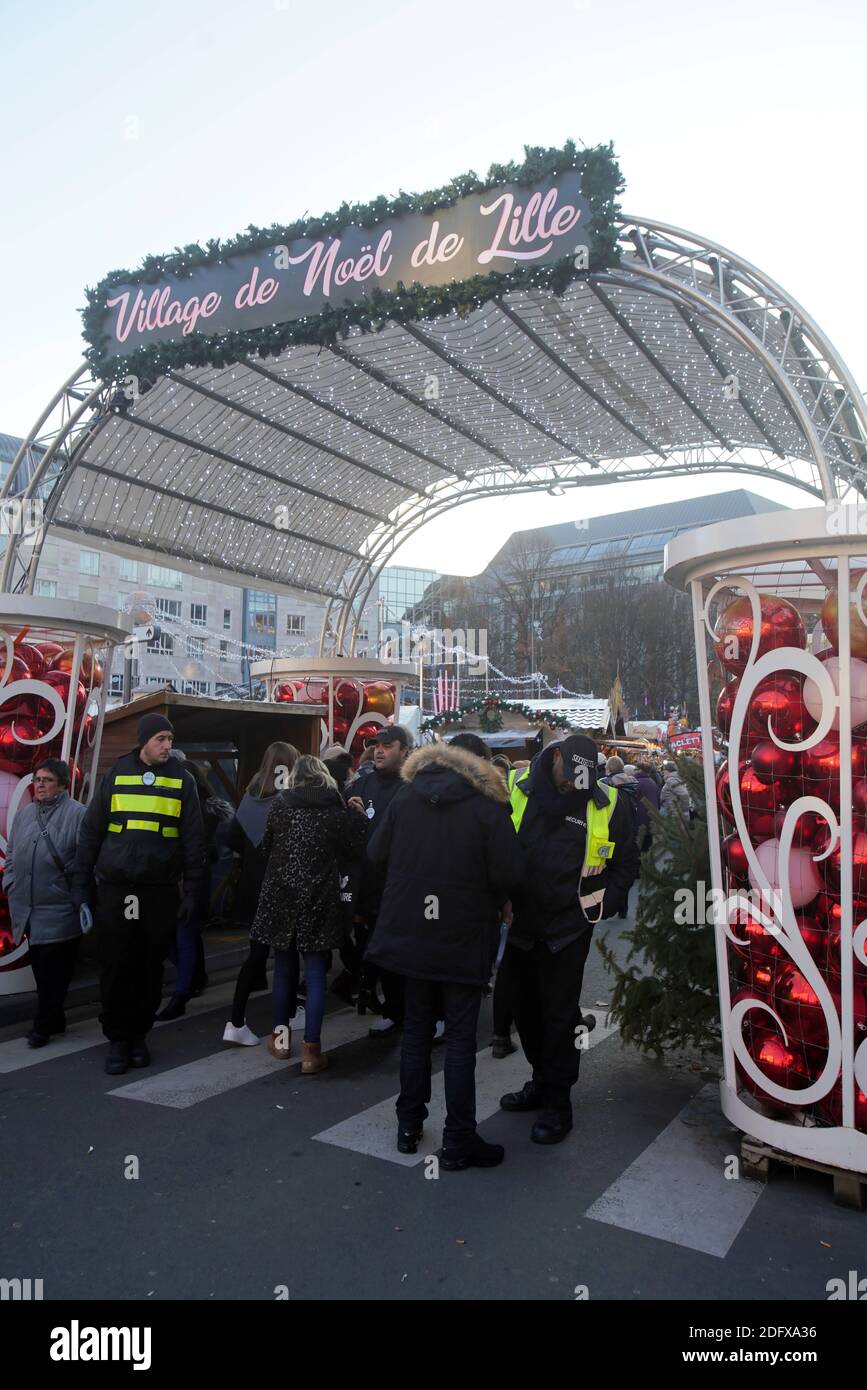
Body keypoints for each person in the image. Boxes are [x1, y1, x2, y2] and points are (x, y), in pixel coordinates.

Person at [365, 741, 523, 1168]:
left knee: (416, 1028)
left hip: (411, 930)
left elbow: (375, 853)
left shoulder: (405, 795)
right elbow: (509, 871)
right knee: (458, 1038)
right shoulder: (487, 803)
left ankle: (408, 1125)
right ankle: (458, 1139)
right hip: (463, 932)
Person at [498, 734, 639, 1144]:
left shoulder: (606, 801)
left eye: (581, 780)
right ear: (555, 757)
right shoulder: (518, 787)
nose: (571, 787)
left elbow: (624, 865)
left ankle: (559, 1102)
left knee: (559, 1018)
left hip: (568, 930)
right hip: (521, 925)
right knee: (523, 1012)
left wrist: (597, 908)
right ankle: (540, 1081)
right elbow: (495, 845)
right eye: (567, 777)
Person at [73, 712, 205, 1075]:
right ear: (145, 740)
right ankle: (117, 1038)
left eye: (170, 739)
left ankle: (139, 1036)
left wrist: (192, 892)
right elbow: (91, 833)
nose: (168, 746)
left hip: (158, 891)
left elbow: (194, 843)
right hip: (117, 888)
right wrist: (81, 888)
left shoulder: (183, 781)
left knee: (149, 966)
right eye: (161, 739)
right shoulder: (117, 773)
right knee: (116, 964)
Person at [249, 755, 367, 1073]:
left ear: (296, 778)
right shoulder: (336, 808)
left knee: (284, 971)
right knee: (315, 976)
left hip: (281, 897)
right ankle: (312, 1052)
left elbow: (266, 847)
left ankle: (281, 1040)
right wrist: (357, 815)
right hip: (319, 897)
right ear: (324, 777)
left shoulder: (282, 804)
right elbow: (354, 850)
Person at [221, 742, 300, 1046]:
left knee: (255, 955)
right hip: (282, 886)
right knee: (287, 955)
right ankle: (289, 1016)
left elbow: (232, 837)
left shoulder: (250, 797)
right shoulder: (290, 800)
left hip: (253, 886)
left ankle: (236, 1021)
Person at [5, 759, 87, 1047]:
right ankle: (55, 1018)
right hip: (28, 905)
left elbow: (85, 860)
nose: (40, 785)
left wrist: (73, 892)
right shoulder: (25, 814)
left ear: (62, 785)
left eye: (47, 780)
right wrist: (10, 882)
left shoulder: (78, 814)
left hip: (59, 907)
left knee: (54, 971)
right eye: (37, 779)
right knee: (41, 968)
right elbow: (13, 852)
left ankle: (43, 1026)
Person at [347, 725, 414, 1035]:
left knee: (401, 955)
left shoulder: (413, 788)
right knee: (372, 952)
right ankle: (388, 1007)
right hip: (367, 889)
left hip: (402, 888)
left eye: (387, 744)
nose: (379, 750)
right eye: (376, 745)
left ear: (405, 750)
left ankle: (408, 1010)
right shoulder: (360, 786)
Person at [157, 759, 233, 1019]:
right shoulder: (205, 806)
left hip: (187, 877)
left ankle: (183, 991)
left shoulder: (195, 808)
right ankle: (192, 980)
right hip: (188, 877)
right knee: (184, 934)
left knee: (183, 934)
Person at [630, 761, 661, 854]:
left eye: (635, 769)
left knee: (638, 847)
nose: (634, 771)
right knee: (648, 846)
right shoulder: (652, 782)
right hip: (652, 818)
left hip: (639, 819)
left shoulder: (636, 782)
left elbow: (632, 801)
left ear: (640, 770)